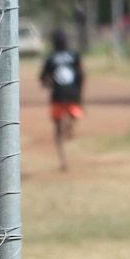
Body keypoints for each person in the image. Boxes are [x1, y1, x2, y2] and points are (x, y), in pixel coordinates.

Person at [39, 29, 84, 171]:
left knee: (57, 130)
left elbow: (43, 78)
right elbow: (81, 74)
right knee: (74, 114)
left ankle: (63, 160)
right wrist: (79, 92)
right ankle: (70, 120)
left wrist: (48, 84)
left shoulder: (51, 58)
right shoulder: (74, 55)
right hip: (73, 94)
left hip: (58, 94)